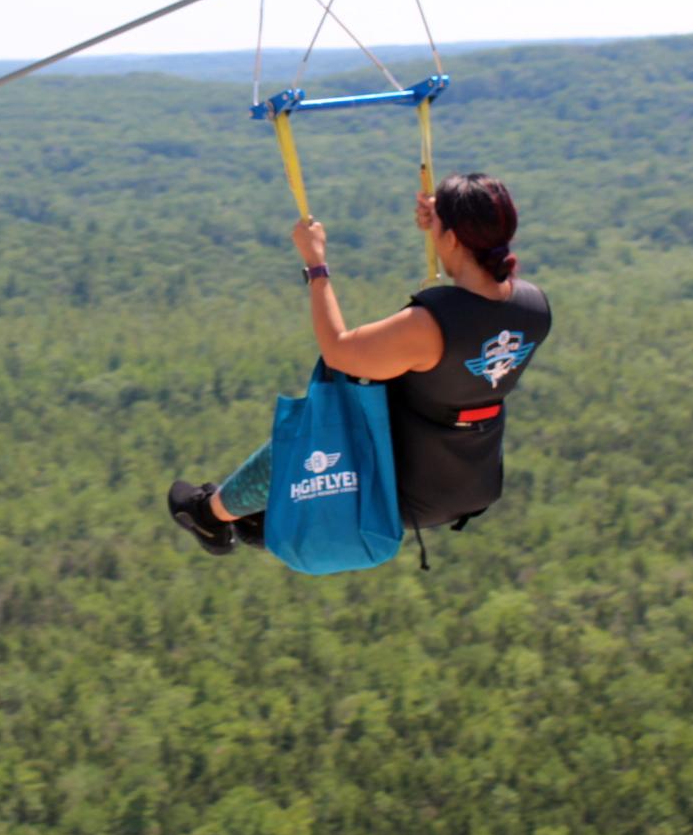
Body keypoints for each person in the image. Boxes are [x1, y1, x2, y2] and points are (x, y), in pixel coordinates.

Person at [168, 172, 550, 558]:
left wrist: (316, 265)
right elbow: (478, 317)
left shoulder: (430, 327)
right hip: (472, 481)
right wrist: (443, 221)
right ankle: (259, 515)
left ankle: (209, 514)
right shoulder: (535, 309)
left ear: (451, 238)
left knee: (315, 425)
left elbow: (337, 350)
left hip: (403, 489)